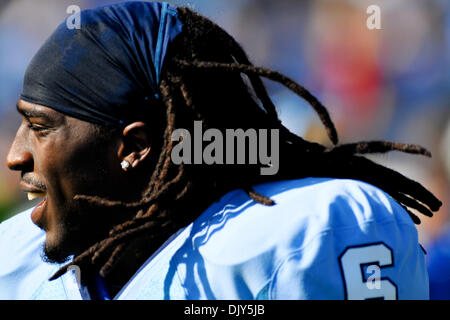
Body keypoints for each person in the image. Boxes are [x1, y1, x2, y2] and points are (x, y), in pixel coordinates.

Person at [0, 1, 442, 300]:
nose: (15, 156)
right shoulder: (13, 260)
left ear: (133, 147)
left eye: (40, 127)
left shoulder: (307, 235)